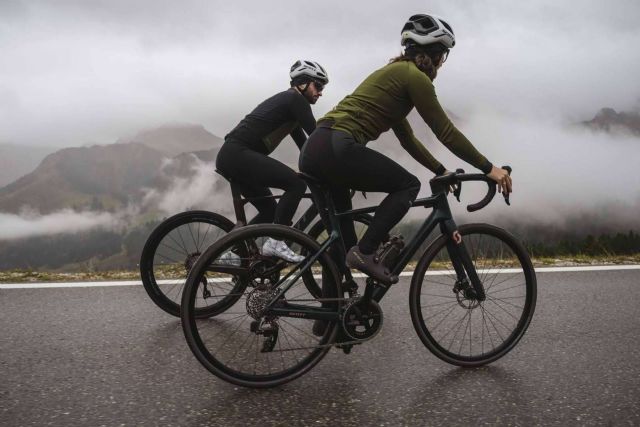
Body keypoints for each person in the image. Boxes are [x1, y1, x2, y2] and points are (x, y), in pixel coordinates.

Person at [299, 14, 512, 283]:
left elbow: (408, 139)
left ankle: (332, 319)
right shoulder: (414, 77)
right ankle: (366, 253)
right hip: (336, 146)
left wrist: (440, 169)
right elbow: (445, 131)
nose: (442, 62)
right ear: (434, 53)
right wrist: (489, 168)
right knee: (408, 185)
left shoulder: (393, 77)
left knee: (341, 242)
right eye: (443, 55)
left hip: (314, 149)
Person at [216, 60, 329, 262]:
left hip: (232, 156)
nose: (320, 92)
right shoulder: (295, 100)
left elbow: (307, 147)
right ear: (303, 83)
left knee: (271, 212)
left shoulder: (290, 109)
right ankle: (276, 241)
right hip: (236, 154)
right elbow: (316, 136)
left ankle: (234, 252)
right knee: (296, 184)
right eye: (318, 86)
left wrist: (317, 172)